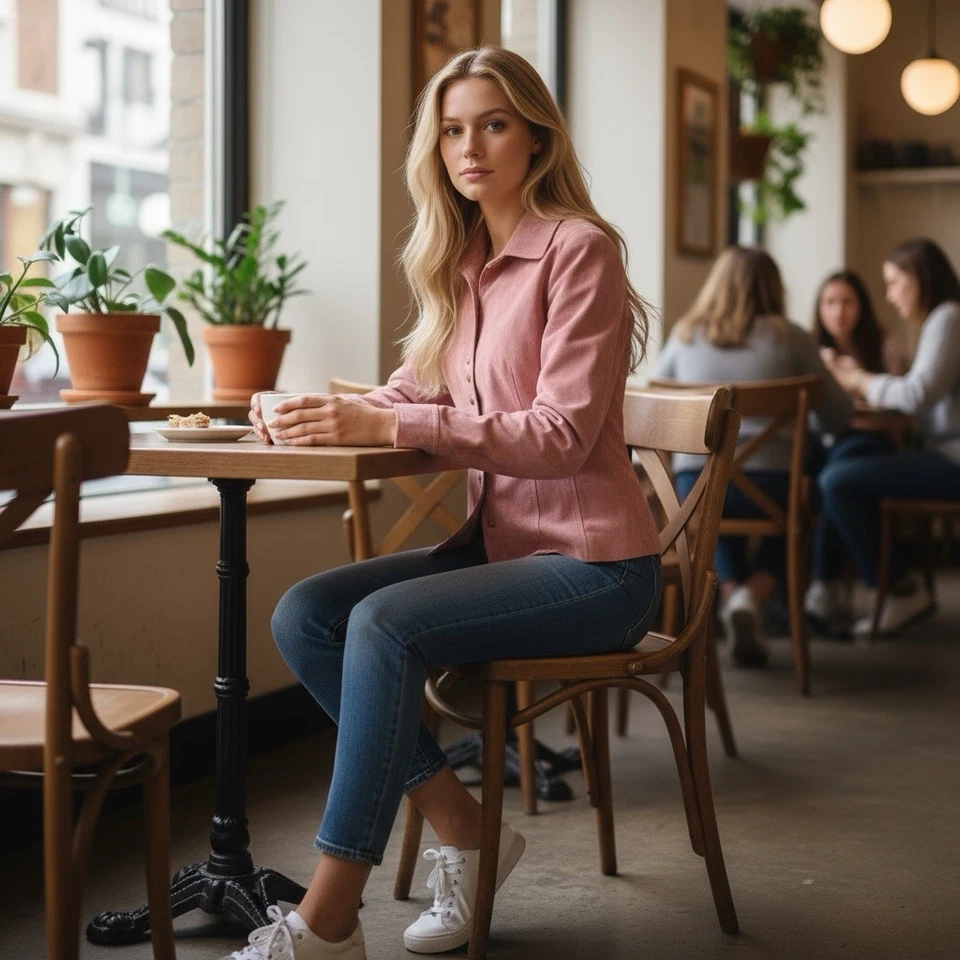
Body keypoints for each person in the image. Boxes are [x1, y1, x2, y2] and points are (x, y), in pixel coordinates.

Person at [228, 46, 664, 960]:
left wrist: (394, 426)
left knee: (384, 626)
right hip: (502, 548)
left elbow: (562, 436)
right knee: (307, 615)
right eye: (453, 129)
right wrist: (313, 412)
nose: (471, 147)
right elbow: (409, 394)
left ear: (537, 136)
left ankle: (328, 919)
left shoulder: (578, 250)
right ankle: (467, 830)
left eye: (494, 123)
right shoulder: (460, 260)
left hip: (596, 567)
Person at [654, 246, 852, 667]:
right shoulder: (792, 337)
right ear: (773, 288)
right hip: (772, 489)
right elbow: (838, 417)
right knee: (803, 508)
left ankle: (732, 595)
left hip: (696, 492)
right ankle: (751, 594)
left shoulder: (686, 335)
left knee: (714, 499)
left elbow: (656, 408)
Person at [820, 238, 960, 638]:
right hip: (943, 452)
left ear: (919, 278)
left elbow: (916, 394)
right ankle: (842, 586)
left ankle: (898, 588)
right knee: (842, 468)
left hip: (952, 459)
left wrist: (857, 379)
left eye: (895, 281)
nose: (890, 293)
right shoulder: (943, 319)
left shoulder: (948, 318)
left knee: (836, 480)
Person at [805, 270, 904, 633]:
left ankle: (824, 585)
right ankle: (818, 588)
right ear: (819, 308)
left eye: (848, 302)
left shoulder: (884, 345)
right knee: (816, 468)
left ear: (862, 306)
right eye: (830, 302)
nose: (839, 311)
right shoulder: (810, 348)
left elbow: (900, 420)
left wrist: (854, 382)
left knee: (840, 466)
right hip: (825, 444)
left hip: (872, 446)